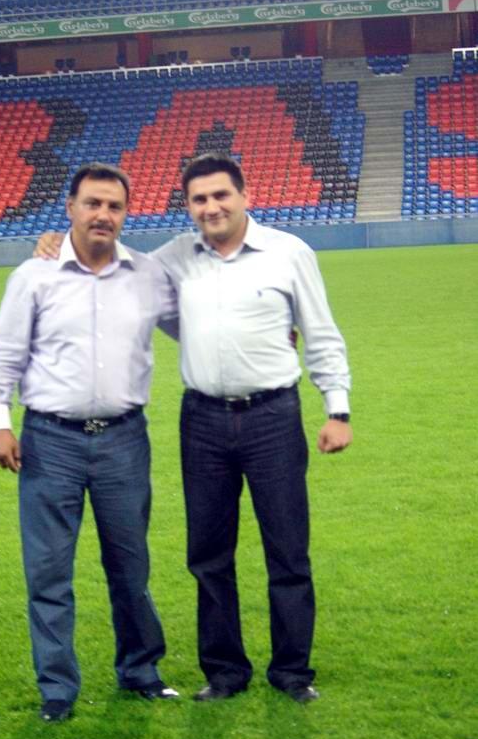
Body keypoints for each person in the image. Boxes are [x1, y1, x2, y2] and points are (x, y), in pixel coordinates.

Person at [35, 152, 352, 705]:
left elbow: (320, 332)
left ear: (244, 195)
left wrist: (337, 409)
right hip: (202, 421)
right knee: (208, 554)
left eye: (221, 195)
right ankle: (225, 673)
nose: (211, 207)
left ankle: (292, 672)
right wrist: (57, 243)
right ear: (188, 206)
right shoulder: (173, 259)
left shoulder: (289, 253)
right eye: (199, 199)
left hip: (274, 417)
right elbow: (112, 262)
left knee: (287, 551)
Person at [0, 162, 180, 723]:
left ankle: (140, 671)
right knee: (48, 572)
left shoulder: (147, 274)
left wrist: (262, 333)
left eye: (114, 206)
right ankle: (57, 689)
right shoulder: (33, 277)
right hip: (50, 441)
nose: (103, 215)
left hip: (124, 440)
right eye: (93, 203)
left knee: (130, 566)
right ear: (70, 207)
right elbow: (3, 354)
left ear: (126, 213)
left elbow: (195, 329)